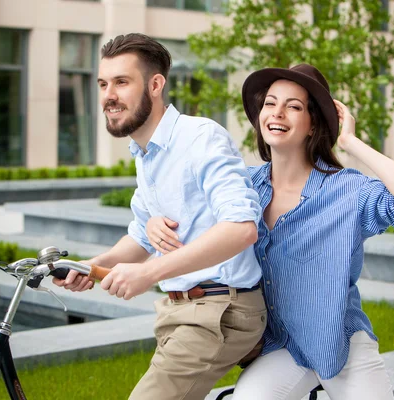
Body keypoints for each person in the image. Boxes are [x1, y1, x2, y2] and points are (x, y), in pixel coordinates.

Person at [146, 64, 394, 400]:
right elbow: (192, 219)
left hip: (339, 342)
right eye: (270, 103)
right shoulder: (245, 186)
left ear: (314, 125)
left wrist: (350, 142)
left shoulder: (346, 190)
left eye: (294, 106)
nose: (277, 113)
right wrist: (154, 221)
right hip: (280, 346)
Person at [52, 33, 267, 400]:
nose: (108, 95)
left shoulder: (200, 138)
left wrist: (148, 272)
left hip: (222, 310)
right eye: (103, 84)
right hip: (180, 310)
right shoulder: (145, 153)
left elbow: (241, 229)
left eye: (121, 82)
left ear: (155, 85)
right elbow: (141, 235)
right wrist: (93, 264)